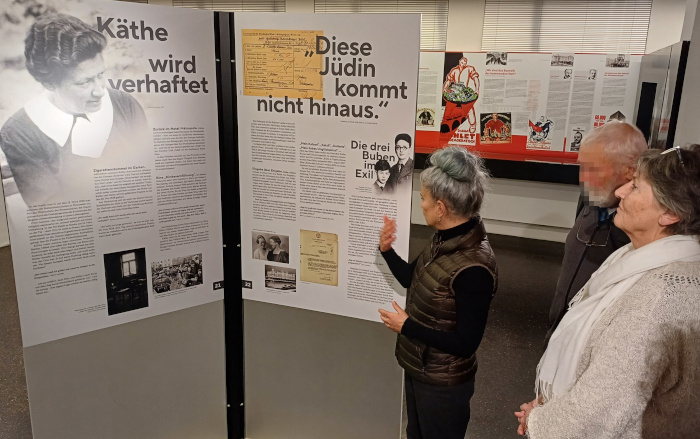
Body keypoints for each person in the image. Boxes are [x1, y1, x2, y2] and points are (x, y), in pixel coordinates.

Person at [516, 144, 700, 438]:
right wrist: (547, 404)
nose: (620, 192)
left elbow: (594, 415)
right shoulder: (637, 258)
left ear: (669, 213)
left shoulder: (656, 300)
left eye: (636, 186)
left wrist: (537, 419)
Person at [378, 146, 498, 439]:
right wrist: (386, 250)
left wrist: (408, 326)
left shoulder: (474, 268)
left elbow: (466, 343)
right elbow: (411, 278)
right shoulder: (444, 239)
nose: (421, 205)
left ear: (441, 207)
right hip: (422, 369)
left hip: (444, 386)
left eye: (423, 198)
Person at [0, 13, 149, 206]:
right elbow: (52, 211)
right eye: (84, 82)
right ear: (49, 84)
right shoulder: (19, 133)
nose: (100, 91)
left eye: (100, 74)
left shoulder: (125, 104)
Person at [545, 121, 646, 345]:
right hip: (560, 329)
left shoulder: (642, 224)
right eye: (582, 166)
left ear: (629, 171)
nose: (583, 178)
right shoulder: (591, 197)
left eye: (592, 169)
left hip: (592, 340)